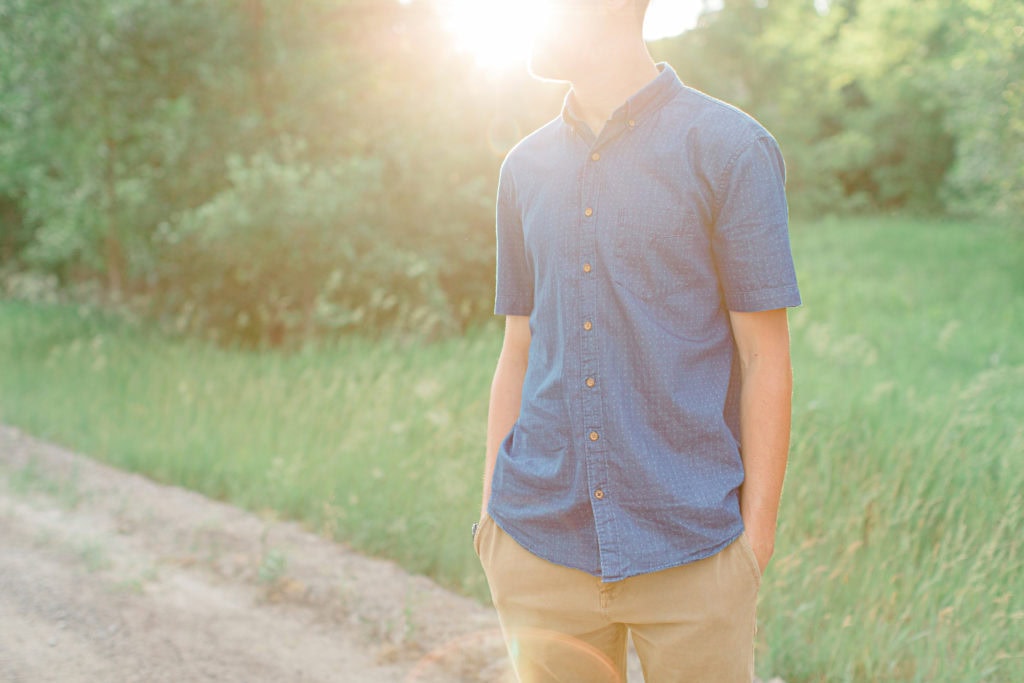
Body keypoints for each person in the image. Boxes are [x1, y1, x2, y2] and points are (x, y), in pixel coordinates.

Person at [472, 0, 802, 680]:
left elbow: (765, 355)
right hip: (536, 543)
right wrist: (489, 520)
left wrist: (754, 542)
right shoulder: (523, 168)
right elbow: (519, 346)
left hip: (694, 550)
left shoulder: (732, 149)